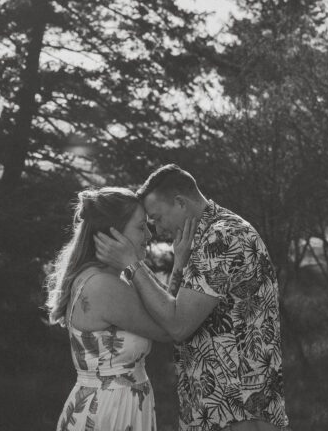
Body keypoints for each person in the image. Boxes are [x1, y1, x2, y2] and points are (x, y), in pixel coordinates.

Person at [94, 165, 290, 431]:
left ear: (180, 203)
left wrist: (132, 264)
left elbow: (177, 325)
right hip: (220, 405)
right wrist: (179, 264)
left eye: (158, 217)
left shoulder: (221, 238)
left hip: (237, 409)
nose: (158, 230)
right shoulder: (211, 235)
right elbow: (173, 310)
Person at [46, 186, 195, 431]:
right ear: (113, 233)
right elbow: (170, 329)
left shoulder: (108, 280)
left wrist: (177, 263)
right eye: (140, 227)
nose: (149, 235)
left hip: (117, 405)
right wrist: (132, 264)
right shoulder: (104, 287)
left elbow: (165, 311)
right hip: (109, 412)